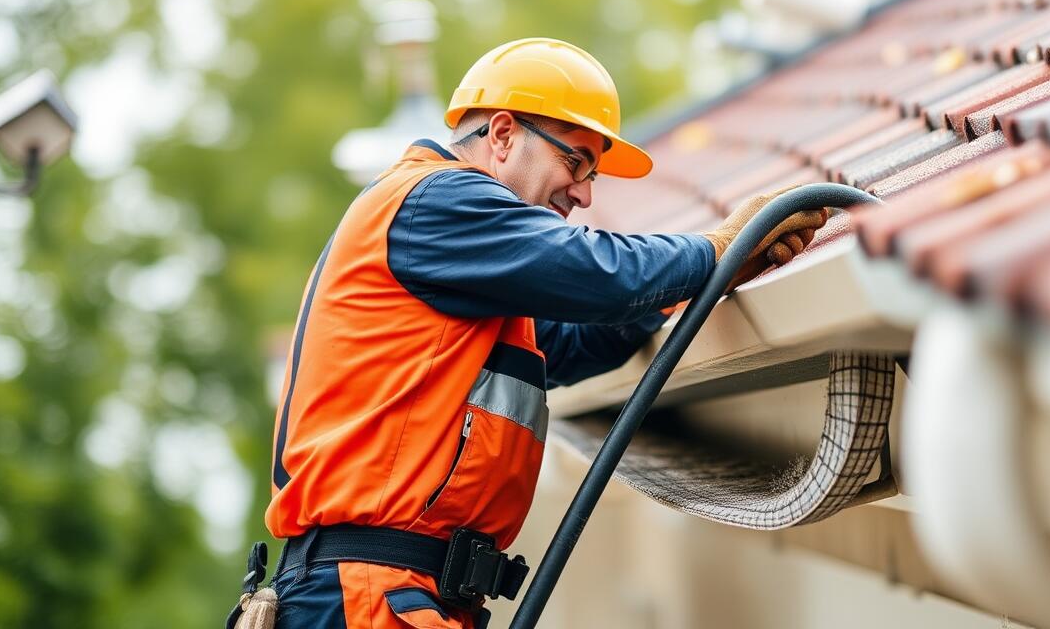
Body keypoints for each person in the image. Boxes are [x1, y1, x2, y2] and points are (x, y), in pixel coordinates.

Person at [247, 38, 827, 629]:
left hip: (390, 593)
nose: (585, 193)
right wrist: (717, 250)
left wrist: (709, 276)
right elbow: (592, 270)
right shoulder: (437, 200)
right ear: (502, 135)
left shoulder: (472, 272)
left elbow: (574, 341)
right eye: (574, 162)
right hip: (368, 593)